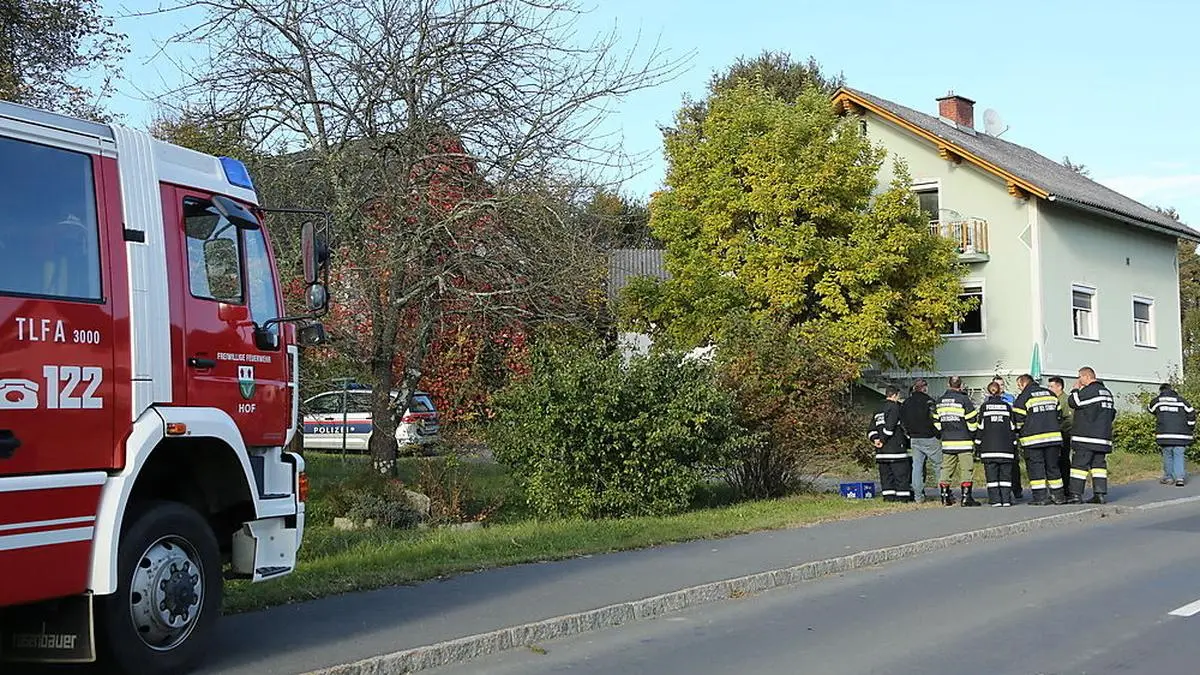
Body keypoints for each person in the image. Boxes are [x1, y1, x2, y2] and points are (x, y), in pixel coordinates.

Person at [1012, 374, 1067, 505]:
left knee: (1036, 468)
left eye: (1019, 385)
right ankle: (1058, 496)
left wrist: (1020, 432)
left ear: (1023, 384)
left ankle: (1041, 497)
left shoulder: (1023, 397)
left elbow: (1018, 421)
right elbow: (1059, 415)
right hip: (1053, 439)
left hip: (1033, 440)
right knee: (1053, 467)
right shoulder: (1050, 394)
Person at [1066, 367, 1116, 504]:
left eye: (1080, 377)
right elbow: (1112, 414)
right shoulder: (1107, 393)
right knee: (1098, 467)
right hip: (1103, 438)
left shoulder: (1090, 391)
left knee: (1079, 467)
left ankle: (1076, 495)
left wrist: (1075, 390)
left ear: (1087, 376)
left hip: (1086, 437)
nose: (1078, 380)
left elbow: (1074, 402)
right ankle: (1099, 494)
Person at [935, 376, 981, 507]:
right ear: (961, 385)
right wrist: (972, 434)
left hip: (947, 442)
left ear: (947, 384)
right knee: (966, 469)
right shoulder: (964, 400)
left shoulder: (940, 401)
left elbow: (935, 421)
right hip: (964, 441)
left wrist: (942, 432)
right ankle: (966, 498)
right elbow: (972, 421)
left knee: (946, 469)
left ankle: (944, 497)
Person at [869, 385, 913, 502]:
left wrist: (876, 439)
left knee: (886, 476)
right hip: (895, 450)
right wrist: (883, 440)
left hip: (881, 453)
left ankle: (888, 497)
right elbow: (890, 427)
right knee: (901, 475)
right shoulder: (894, 407)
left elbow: (871, 429)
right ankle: (903, 498)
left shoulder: (878, 409)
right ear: (894, 395)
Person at [976, 381, 1018, 507]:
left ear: (988, 392)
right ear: (1000, 391)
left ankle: (995, 500)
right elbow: (1012, 428)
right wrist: (1014, 445)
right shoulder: (1007, 407)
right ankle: (1006, 500)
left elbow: (980, 428)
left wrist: (978, 446)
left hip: (989, 449)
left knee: (992, 477)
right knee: (1006, 476)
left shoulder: (984, 407)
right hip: (1006, 449)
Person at [1148, 383, 1196, 487]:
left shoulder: (1157, 401)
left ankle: (1168, 478)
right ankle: (1179, 478)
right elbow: (1192, 413)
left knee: (1168, 455)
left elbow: (1150, 409)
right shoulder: (1182, 401)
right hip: (1181, 434)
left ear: (1161, 391)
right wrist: (1190, 426)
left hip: (1165, 434)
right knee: (1179, 454)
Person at [901, 378, 941, 503]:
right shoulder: (929, 401)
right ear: (924, 388)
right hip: (929, 437)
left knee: (916, 467)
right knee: (939, 465)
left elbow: (903, 421)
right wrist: (938, 434)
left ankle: (918, 497)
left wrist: (908, 433)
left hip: (914, 438)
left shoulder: (906, 403)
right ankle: (944, 493)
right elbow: (935, 419)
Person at [992, 375, 1023, 499]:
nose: (1000, 387)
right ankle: (999, 491)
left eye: (1002, 385)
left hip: (1009, 435)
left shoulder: (1010, 398)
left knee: (1013, 464)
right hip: (995, 437)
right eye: (997, 385)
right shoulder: (988, 400)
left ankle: (1016, 489)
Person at [1048, 376, 1074, 498]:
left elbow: (1069, 420)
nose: (1049, 389)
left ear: (1059, 386)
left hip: (1063, 435)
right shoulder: (1051, 399)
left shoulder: (1065, 400)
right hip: (1053, 436)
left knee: (1063, 462)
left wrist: (1061, 430)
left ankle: (1066, 488)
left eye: (1051, 386)